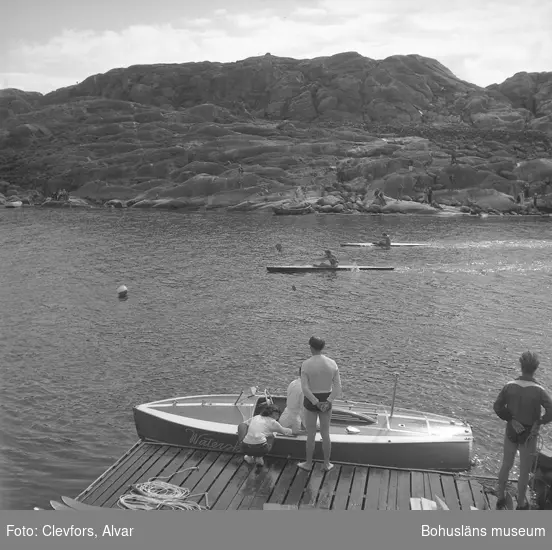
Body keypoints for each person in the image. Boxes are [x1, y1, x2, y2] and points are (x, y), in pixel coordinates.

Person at [493, 351, 552, 510]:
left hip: (512, 430)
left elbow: (497, 407)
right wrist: (539, 422)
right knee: (524, 471)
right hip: (529, 435)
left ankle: (500, 496)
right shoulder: (539, 390)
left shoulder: (509, 386)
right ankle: (520, 502)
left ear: (521, 366)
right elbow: (551, 410)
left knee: (506, 464)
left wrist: (510, 419)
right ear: (536, 368)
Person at [298, 336, 342, 472]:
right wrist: (328, 401)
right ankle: (327, 463)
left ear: (311, 347)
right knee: (325, 433)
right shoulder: (332, 363)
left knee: (311, 433)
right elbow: (338, 388)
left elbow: (305, 389)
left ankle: (308, 463)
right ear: (322, 347)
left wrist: (315, 402)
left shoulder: (306, 364)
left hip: (311, 400)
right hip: (327, 399)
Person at [279, 368, 306, 434]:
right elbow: (303, 411)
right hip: (293, 422)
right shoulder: (304, 389)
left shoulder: (293, 383)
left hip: (285, 417)